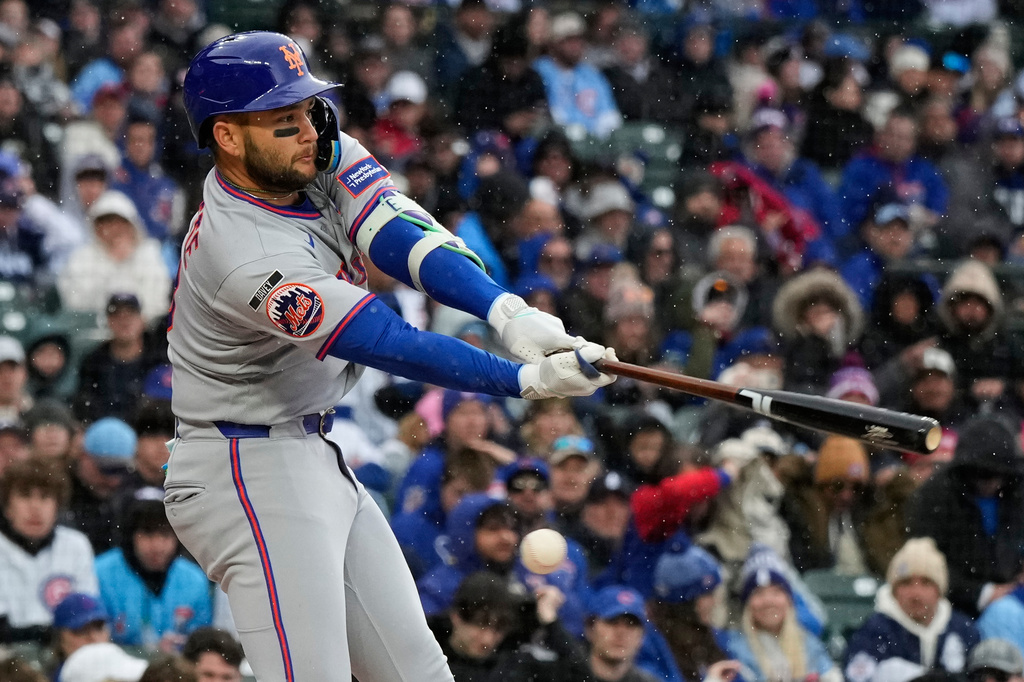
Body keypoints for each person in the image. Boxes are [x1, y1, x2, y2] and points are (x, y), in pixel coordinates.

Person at [166, 31, 613, 682]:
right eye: (281, 119)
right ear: (228, 137)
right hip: (240, 465)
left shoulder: (311, 149)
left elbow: (400, 235)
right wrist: (521, 379)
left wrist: (506, 312)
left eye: (308, 109)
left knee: (419, 674)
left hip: (308, 449)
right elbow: (383, 339)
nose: (307, 130)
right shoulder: (243, 253)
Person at [907, 415, 1024, 617]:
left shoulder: (1018, 492)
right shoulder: (935, 496)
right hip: (953, 607)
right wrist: (983, 593)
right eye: (980, 474)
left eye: (997, 475)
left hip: (1014, 595)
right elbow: (925, 561)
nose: (989, 483)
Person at [843, 538, 980, 682]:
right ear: (894, 591)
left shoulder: (962, 630)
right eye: (906, 583)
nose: (916, 593)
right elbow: (857, 676)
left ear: (939, 590)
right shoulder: (875, 632)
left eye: (926, 583)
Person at [95, 488, 211, 652]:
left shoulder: (194, 580)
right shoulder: (100, 573)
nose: (157, 546)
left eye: (165, 535)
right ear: (131, 535)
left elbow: (201, 642)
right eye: (148, 533)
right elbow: (94, 640)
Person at [0, 459, 98, 645]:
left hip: (64, 654)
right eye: (25, 496)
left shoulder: (76, 545)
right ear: (7, 507)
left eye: (44, 497)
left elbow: (87, 615)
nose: (35, 507)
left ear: (57, 506)